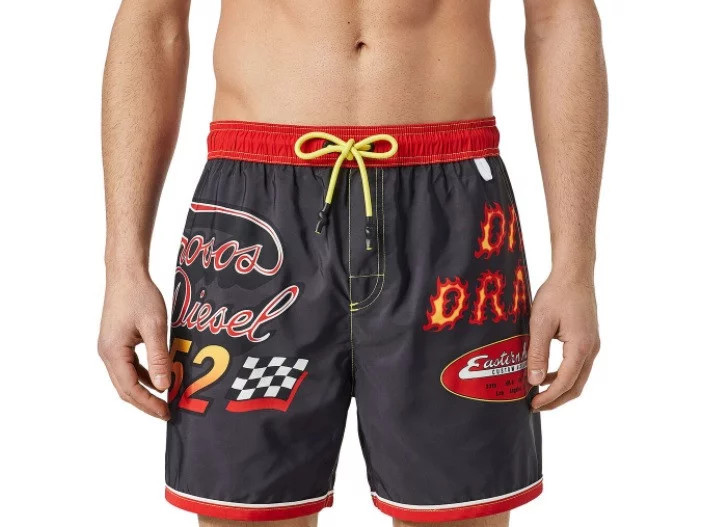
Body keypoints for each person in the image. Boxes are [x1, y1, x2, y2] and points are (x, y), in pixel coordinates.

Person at [98, 1, 606, 526]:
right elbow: (153, 21)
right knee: (246, 512)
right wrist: (124, 267)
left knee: (456, 512)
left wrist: (575, 268)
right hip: (257, 213)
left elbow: (559, 17)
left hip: (449, 212)